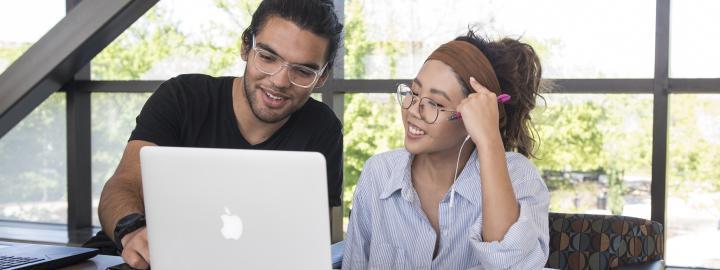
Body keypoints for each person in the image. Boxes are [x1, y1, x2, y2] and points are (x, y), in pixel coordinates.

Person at [95, 0, 344, 268]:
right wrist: (132, 231)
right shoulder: (182, 98)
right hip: (135, 259)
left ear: (321, 77)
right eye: (268, 57)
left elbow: (313, 240)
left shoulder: (322, 128)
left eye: (303, 71)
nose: (279, 81)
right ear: (246, 47)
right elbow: (122, 185)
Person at [341, 30, 550, 269]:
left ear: (472, 116)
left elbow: (513, 265)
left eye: (436, 103)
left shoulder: (518, 175)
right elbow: (354, 263)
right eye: (414, 93)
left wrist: (489, 139)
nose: (413, 110)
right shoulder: (378, 172)